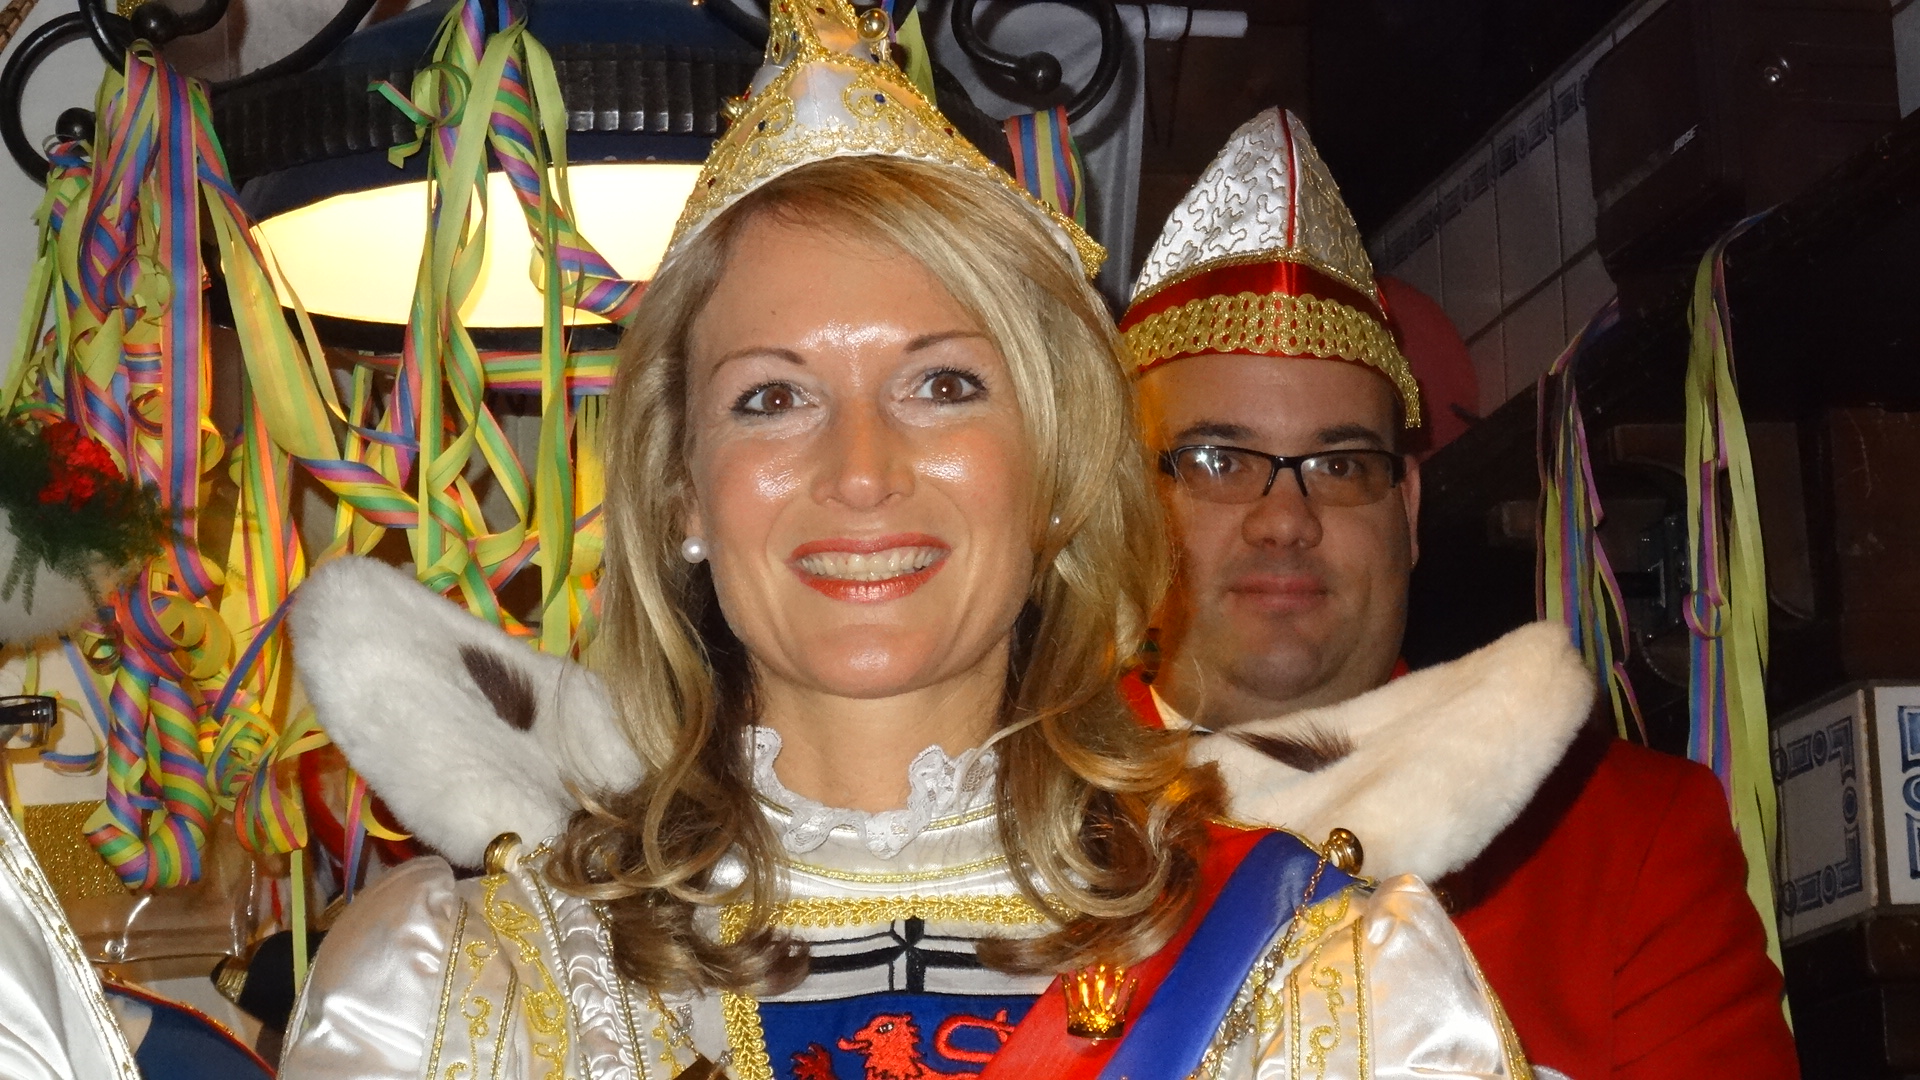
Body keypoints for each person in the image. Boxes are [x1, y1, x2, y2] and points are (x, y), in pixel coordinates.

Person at [275, 5, 1529, 1078]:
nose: (862, 472)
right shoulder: (467, 994)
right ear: (681, 493)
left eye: (943, 386)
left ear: (1053, 472)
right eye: (773, 396)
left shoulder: (1328, 986)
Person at [1119, 107, 1799, 1080]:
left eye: (1340, 464)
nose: (1285, 520)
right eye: (1220, 460)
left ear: (1407, 507)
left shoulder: (1620, 838)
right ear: (1118, 504)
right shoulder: (994, 816)